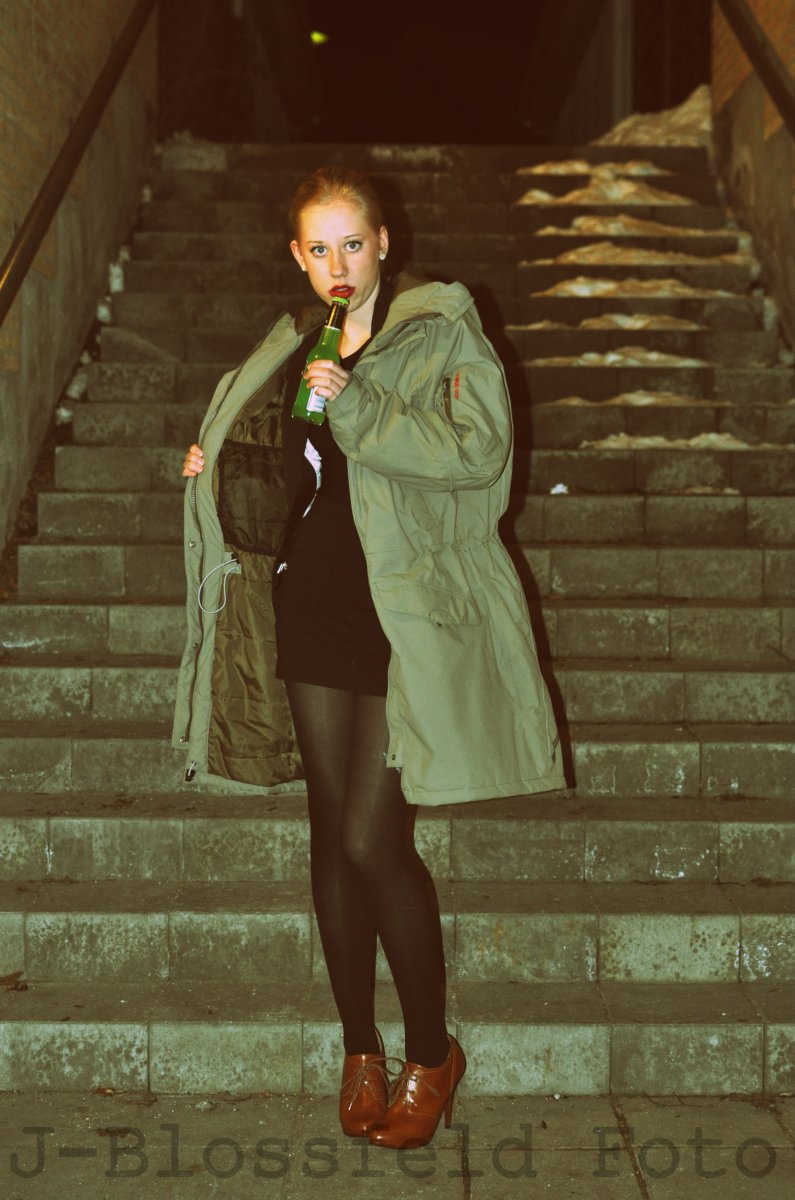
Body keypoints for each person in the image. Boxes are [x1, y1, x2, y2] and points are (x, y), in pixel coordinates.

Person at [176, 165, 566, 1149]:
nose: (338, 264)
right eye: (319, 248)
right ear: (297, 257)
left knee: (369, 840)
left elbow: (479, 454)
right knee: (328, 835)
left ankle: (431, 1053)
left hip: (406, 615)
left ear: (385, 243)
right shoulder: (291, 343)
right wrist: (213, 465)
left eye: (353, 243)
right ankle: (360, 1048)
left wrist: (355, 406)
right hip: (311, 605)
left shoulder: (441, 330)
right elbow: (287, 476)